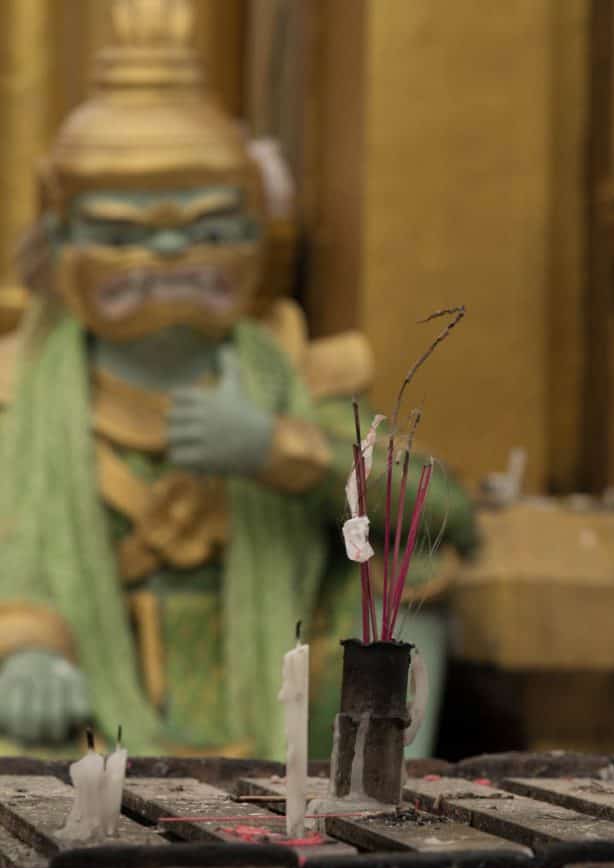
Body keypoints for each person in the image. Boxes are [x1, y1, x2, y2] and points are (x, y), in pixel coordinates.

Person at [0, 0, 477, 758]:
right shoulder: (18, 398)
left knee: (411, 566)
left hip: (272, 706)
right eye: (123, 233)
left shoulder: (290, 375)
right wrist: (21, 647)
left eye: (209, 229)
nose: (168, 257)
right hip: (74, 719)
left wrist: (278, 449)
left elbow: (446, 513)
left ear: (256, 234)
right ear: (59, 239)